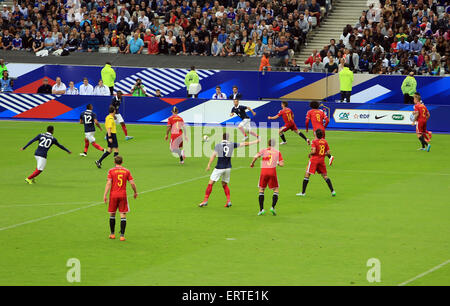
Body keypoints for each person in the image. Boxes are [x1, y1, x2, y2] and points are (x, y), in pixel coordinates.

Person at [199, 133, 260, 207]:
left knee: (210, 183)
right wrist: (256, 141)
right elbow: (244, 144)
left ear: (222, 137)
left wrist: (209, 165)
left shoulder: (218, 145)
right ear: (228, 138)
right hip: (228, 168)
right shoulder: (231, 144)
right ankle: (228, 201)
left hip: (219, 167)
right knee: (224, 184)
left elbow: (213, 156)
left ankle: (205, 200)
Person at [103, 155, 138, 241]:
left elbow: (108, 183)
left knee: (112, 214)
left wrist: (105, 195)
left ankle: (112, 234)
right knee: (123, 214)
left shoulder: (111, 171)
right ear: (122, 162)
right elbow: (132, 183)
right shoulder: (126, 171)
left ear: (114, 162)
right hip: (123, 195)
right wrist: (135, 192)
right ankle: (122, 236)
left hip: (113, 195)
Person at [296, 129, 336, 197]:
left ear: (316, 134)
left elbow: (314, 151)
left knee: (307, 175)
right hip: (321, 161)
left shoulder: (314, 141)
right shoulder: (325, 141)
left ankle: (303, 193)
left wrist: (310, 153)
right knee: (325, 176)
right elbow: (328, 152)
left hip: (314, 160)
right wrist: (322, 154)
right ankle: (332, 191)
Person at [250, 139, 284, 216]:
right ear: (274, 145)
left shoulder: (264, 150)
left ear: (268, 144)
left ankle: (261, 209)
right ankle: (272, 207)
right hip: (272, 172)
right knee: (276, 189)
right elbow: (282, 164)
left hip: (264, 172)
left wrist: (252, 163)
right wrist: (277, 163)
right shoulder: (277, 152)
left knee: (261, 189)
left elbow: (255, 157)